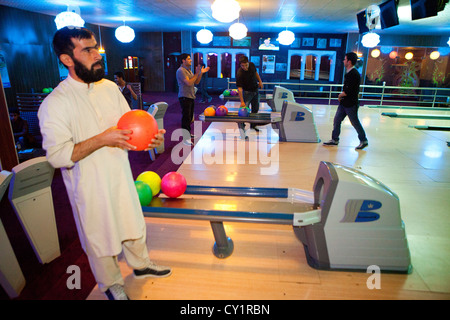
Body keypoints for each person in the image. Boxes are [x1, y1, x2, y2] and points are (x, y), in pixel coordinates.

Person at [38, 26, 171, 300]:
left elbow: (130, 131)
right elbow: (57, 155)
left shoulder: (110, 88)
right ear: (66, 59)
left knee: (133, 222)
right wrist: (102, 138)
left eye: (95, 47)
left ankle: (141, 265)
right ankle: (110, 283)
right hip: (89, 186)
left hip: (121, 174)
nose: (97, 55)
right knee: (100, 238)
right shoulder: (55, 103)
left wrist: (151, 139)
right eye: (87, 50)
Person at [323, 52, 368, 150]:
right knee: (337, 120)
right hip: (344, 103)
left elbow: (349, 89)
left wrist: (340, 95)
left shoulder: (353, 74)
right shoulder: (349, 73)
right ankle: (334, 139)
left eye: (345, 59)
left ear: (349, 61)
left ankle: (363, 140)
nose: (343, 61)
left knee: (354, 122)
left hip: (351, 104)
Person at [176, 53, 209, 145]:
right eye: (189, 59)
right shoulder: (181, 71)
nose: (191, 60)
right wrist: (197, 72)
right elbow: (189, 83)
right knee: (186, 118)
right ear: (183, 60)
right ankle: (185, 138)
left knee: (190, 117)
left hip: (190, 96)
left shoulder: (188, 70)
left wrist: (200, 73)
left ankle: (188, 134)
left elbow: (196, 82)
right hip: (184, 96)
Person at [236, 55, 263, 132]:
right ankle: (242, 126)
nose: (244, 67)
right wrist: (242, 102)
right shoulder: (240, 73)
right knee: (244, 111)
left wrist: (260, 81)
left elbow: (256, 73)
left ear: (248, 62)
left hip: (255, 91)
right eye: (242, 66)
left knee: (255, 109)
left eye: (245, 65)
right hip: (247, 93)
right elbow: (240, 89)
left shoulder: (252, 65)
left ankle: (253, 126)